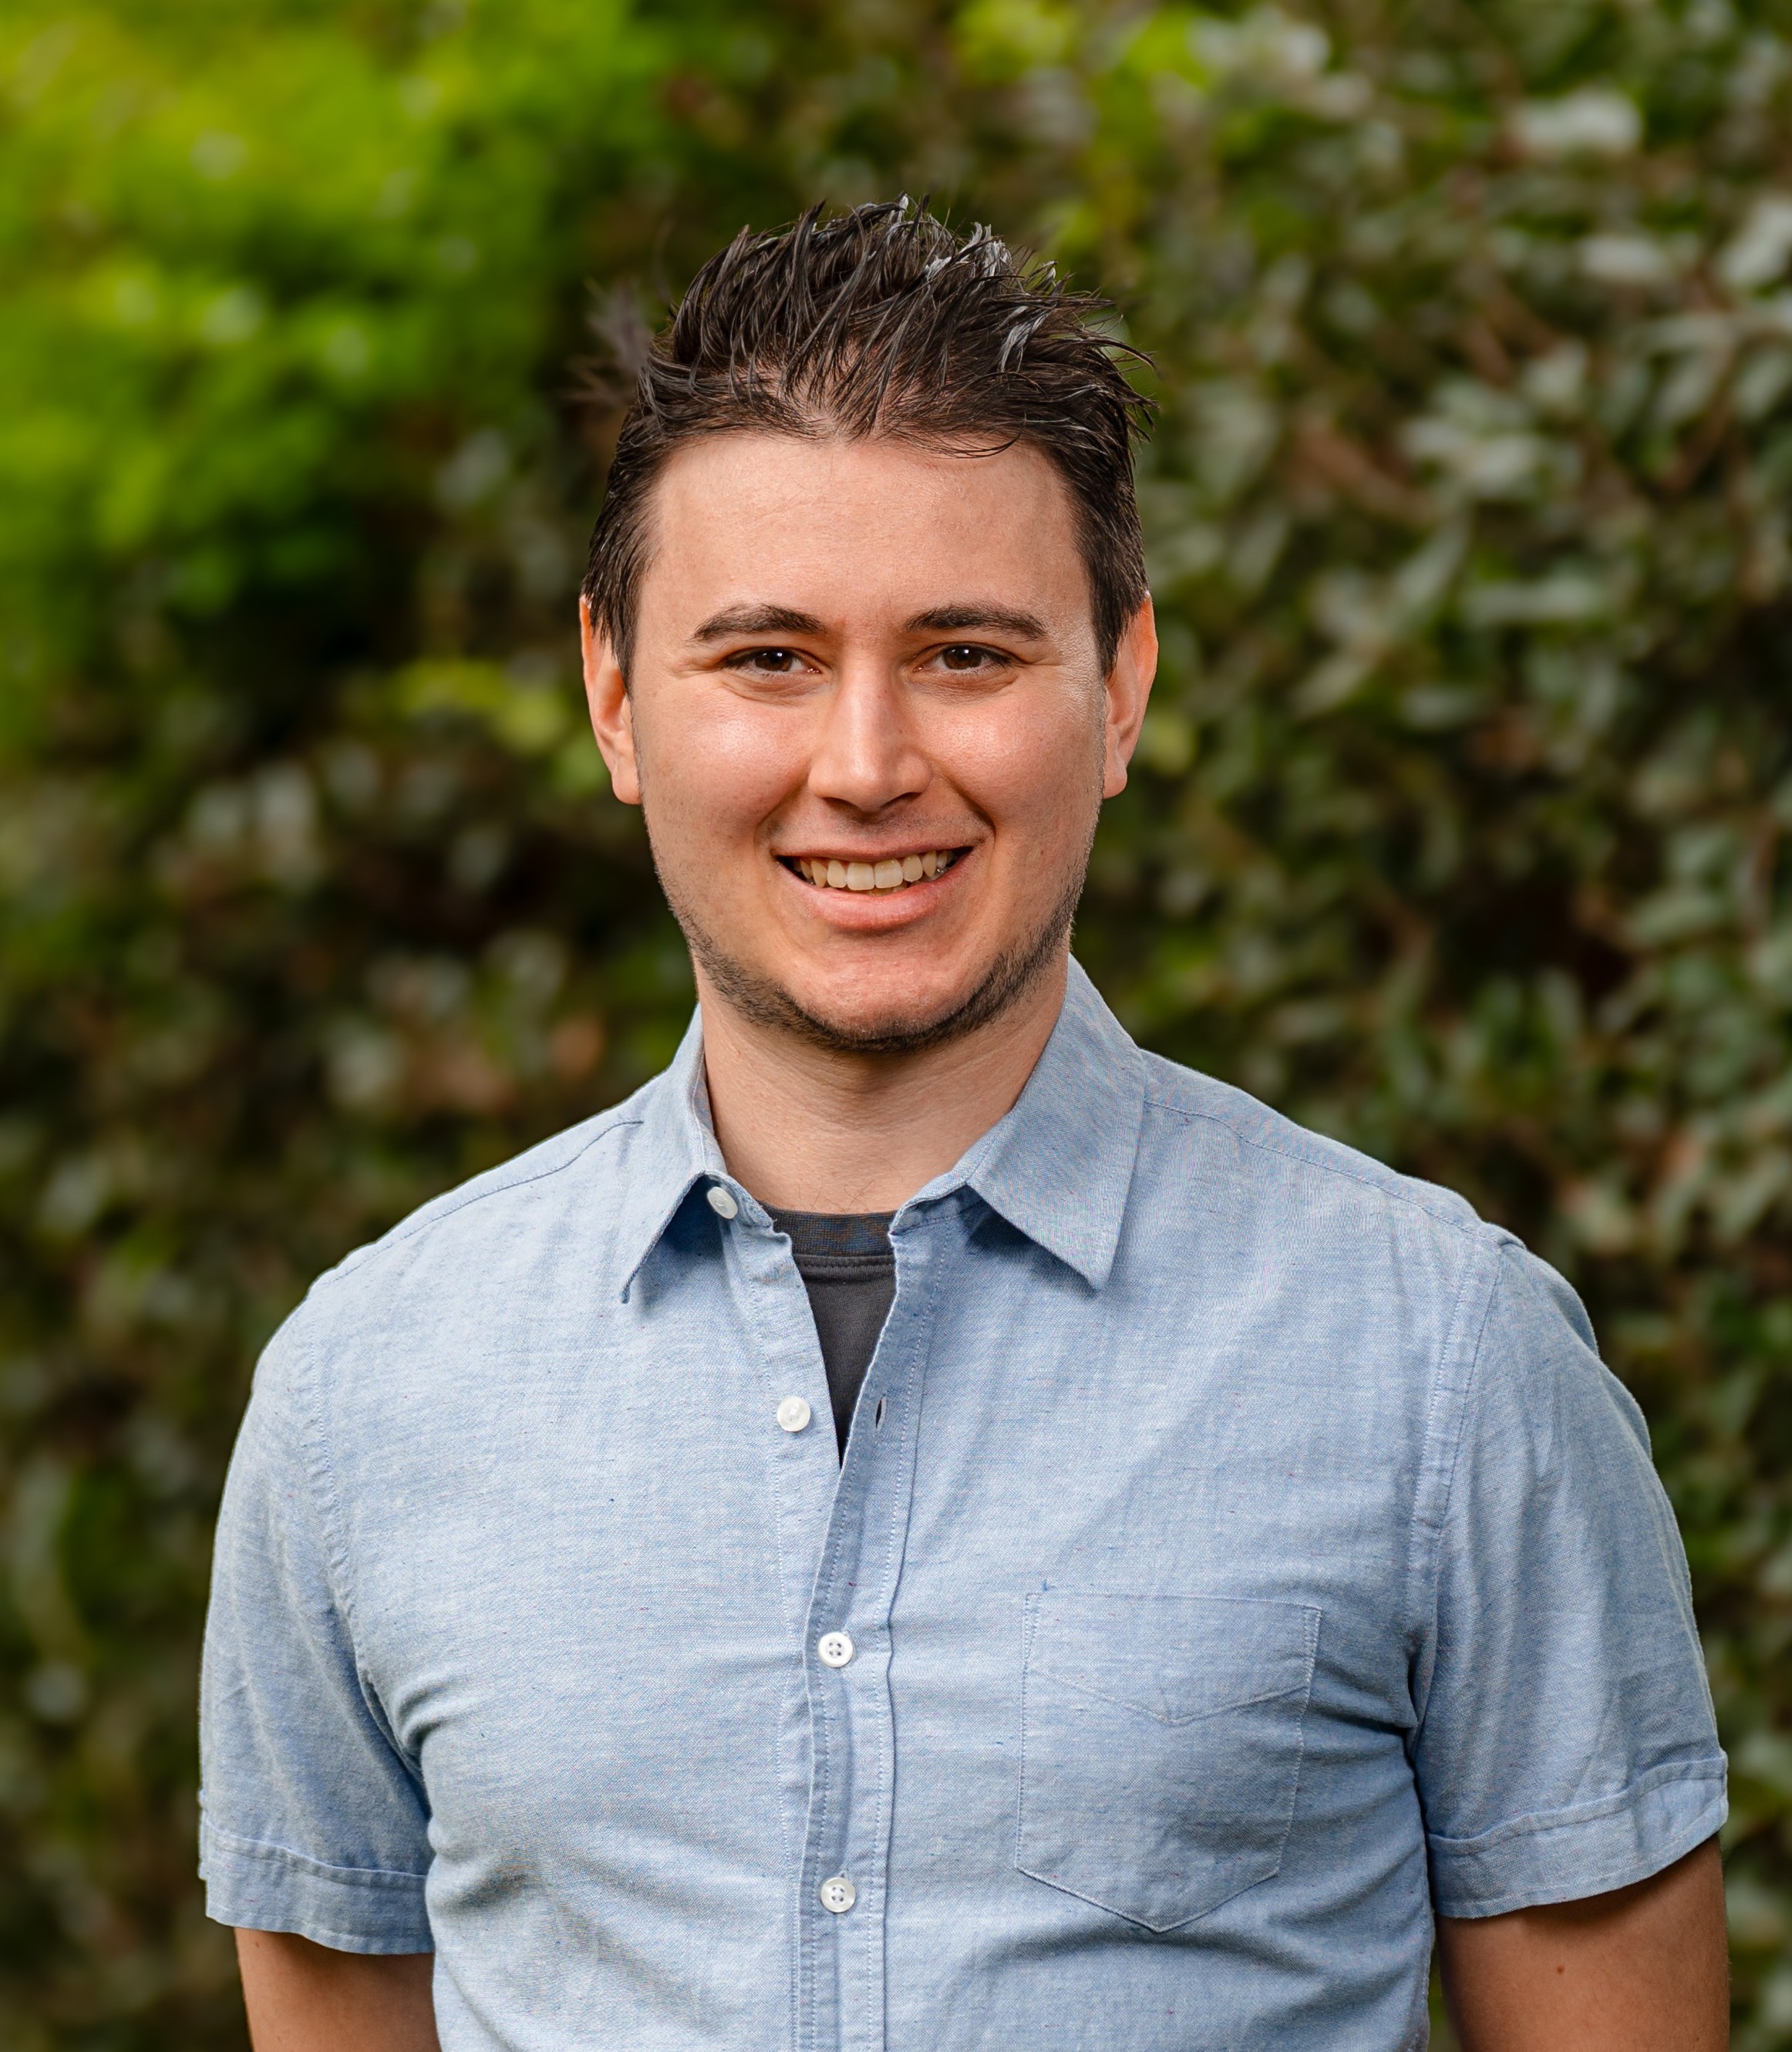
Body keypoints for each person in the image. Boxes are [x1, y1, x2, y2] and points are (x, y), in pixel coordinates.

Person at [200, 201, 1730, 2052]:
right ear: (614, 695)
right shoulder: (364, 1392)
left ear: (1123, 687)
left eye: (969, 654)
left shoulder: (1445, 1361)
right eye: (764, 656)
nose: (864, 762)